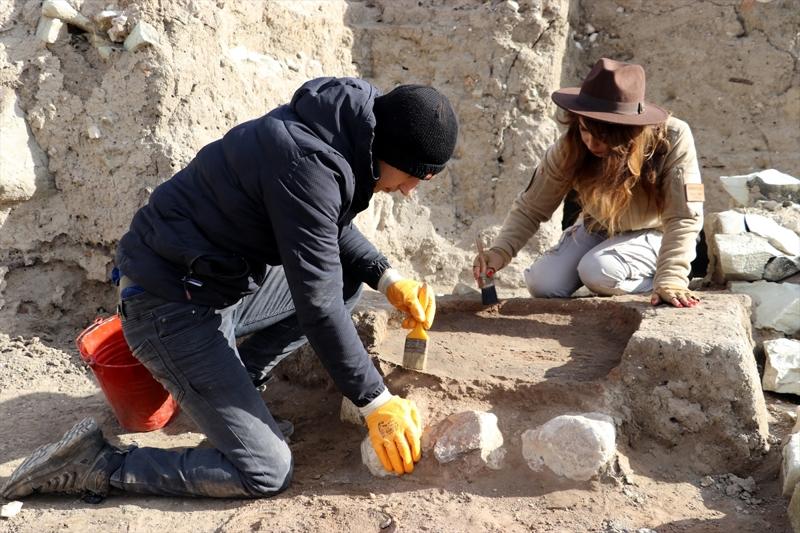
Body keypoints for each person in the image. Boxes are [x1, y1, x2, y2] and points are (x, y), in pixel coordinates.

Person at [2, 77, 458, 500]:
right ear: (392, 152)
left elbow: (321, 222)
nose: (409, 190)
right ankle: (97, 463)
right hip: (168, 306)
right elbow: (317, 303)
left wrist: (387, 277)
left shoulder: (347, 128)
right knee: (266, 470)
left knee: (345, 282)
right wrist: (375, 401)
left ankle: (241, 389)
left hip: (212, 283)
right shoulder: (308, 162)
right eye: (413, 177)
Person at [473, 58, 704, 308]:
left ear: (628, 132)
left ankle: (651, 280)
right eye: (585, 130)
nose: (592, 144)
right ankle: (606, 279)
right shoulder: (571, 146)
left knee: (597, 270)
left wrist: (671, 277)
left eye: (603, 136)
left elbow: (684, 217)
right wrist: (500, 252)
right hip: (599, 227)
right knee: (543, 283)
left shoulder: (672, 138)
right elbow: (531, 207)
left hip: (656, 233)